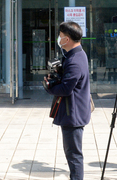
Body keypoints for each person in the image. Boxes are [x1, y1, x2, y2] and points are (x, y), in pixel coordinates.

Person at [43, 21, 91, 180]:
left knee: (74, 154)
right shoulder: (75, 54)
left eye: (61, 36)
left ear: (68, 39)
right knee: (72, 153)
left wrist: (49, 87)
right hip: (74, 111)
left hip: (73, 115)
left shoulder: (75, 59)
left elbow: (66, 89)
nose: (59, 39)